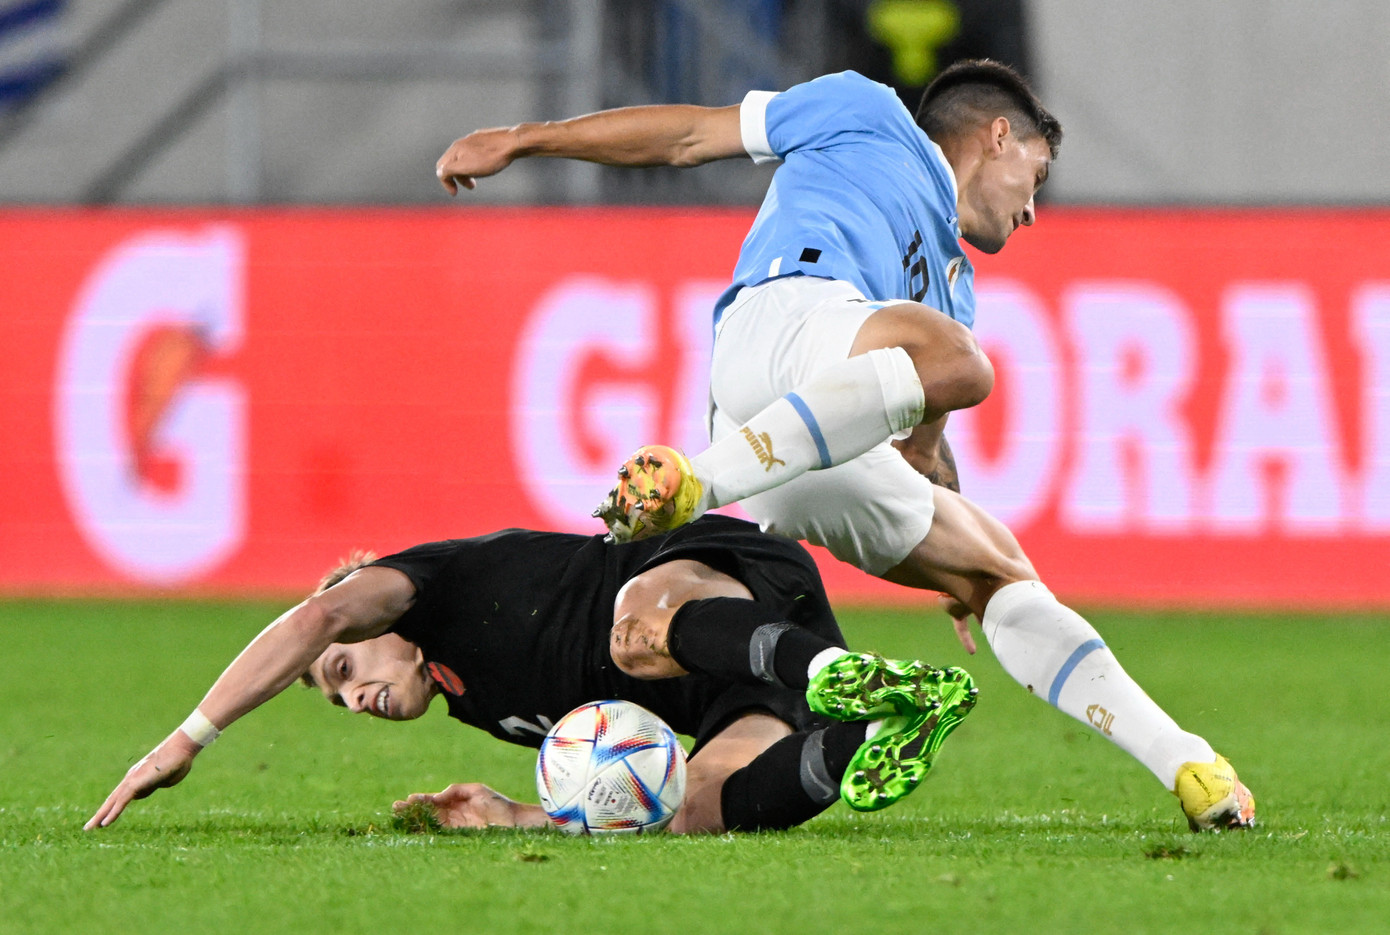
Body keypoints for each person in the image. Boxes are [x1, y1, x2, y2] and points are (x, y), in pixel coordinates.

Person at [433, 60, 1254, 831]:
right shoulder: (866, 111)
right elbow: (690, 135)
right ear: (999, 135)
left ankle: (1191, 766)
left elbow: (923, 445)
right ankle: (698, 482)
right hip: (780, 323)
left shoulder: (953, 287)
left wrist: (944, 544)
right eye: (1035, 178)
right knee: (961, 362)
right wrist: (525, 138)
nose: (1032, 210)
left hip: (793, 460)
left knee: (1000, 570)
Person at [86, 516, 978, 834]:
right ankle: (888, 723)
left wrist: (186, 739)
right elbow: (615, 781)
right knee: (690, 809)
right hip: (738, 685)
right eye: (338, 697)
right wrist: (516, 814)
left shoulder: (424, 583)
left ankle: (843, 674)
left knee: (634, 633)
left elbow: (315, 616)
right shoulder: (478, 707)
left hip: (719, 574)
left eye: (346, 669)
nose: (353, 696)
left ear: (376, 618)